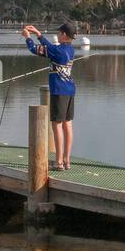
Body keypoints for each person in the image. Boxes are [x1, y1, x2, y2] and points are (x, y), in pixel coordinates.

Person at [22, 22, 77, 170]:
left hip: (58, 91)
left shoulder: (57, 51)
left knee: (56, 125)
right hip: (70, 90)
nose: (57, 35)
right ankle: (66, 160)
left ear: (64, 35)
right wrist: (38, 34)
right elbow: (50, 47)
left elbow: (34, 49)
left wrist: (28, 37)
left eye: (59, 33)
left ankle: (58, 162)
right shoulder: (70, 50)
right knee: (67, 124)